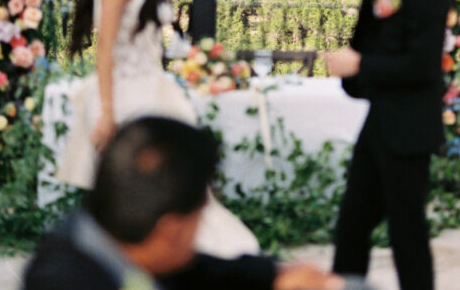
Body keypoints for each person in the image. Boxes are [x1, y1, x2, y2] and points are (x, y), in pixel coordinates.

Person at [59, 0, 279, 258]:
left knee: (180, 192)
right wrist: (108, 113)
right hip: (124, 99)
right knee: (135, 200)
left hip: (154, 92)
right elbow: (106, 46)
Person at [272, 0, 451, 290]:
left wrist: (360, 66)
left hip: (408, 126)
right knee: (352, 223)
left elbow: (423, 65)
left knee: (407, 234)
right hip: (382, 119)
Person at [24, 117, 339, 290]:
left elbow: (198, 270)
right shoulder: (63, 280)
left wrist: (275, 275)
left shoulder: (102, 229)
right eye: (197, 220)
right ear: (170, 230)